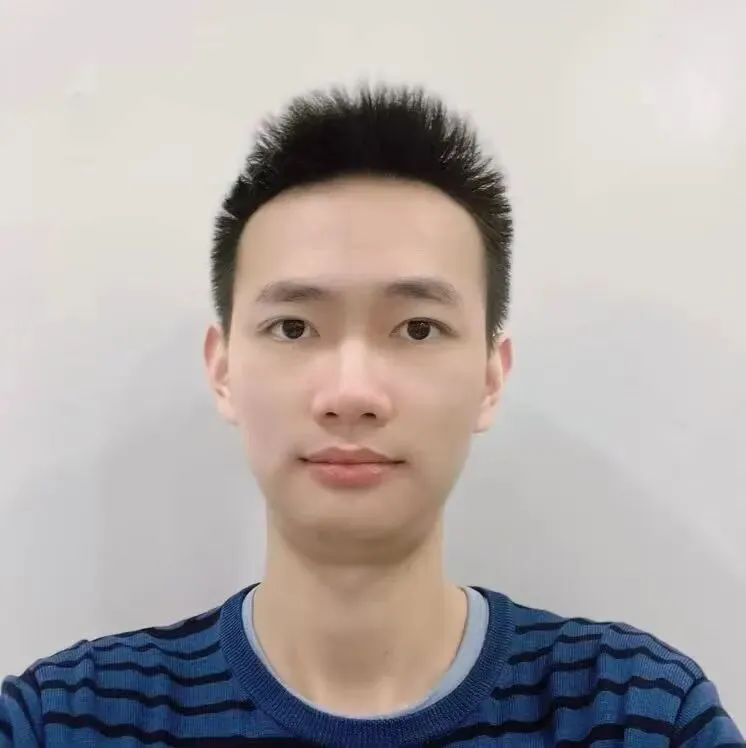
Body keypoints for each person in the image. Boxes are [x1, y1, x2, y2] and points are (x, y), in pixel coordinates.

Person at [1, 84, 741, 748]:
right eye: (294, 327)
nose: (351, 392)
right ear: (223, 370)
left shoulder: (636, 714)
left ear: (490, 378)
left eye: (417, 328)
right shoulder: (65, 719)